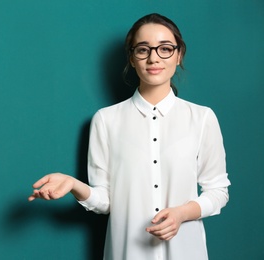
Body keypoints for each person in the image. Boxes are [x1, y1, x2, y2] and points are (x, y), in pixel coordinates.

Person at [28, 13, 231, 260]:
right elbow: (106, 200)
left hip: (186, 252)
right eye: (143, 50)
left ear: (179, 56)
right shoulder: (106, 120)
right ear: (132, 58)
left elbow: (218, 191)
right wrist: (73, 185)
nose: (154, 57)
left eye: (165, 49)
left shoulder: (202, 118)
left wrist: (183, 213)